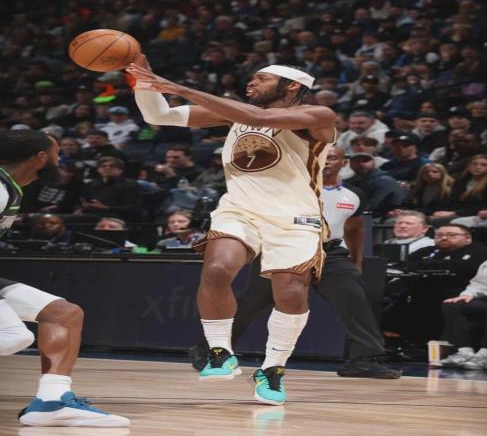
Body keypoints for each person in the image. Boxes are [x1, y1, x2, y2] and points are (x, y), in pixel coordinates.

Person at [128, 56, 336, 405]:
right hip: (240, 208)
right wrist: (145, 81)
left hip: (295, 215)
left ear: (292, 86)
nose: (251, 82)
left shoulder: (318, 115)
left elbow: (259, 118)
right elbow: (158, 115)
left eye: (261, 78)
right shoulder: (235, 114)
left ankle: (272, 368)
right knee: (217, 268)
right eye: (252, 78)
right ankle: (220, 352)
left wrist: (179, 88)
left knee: (290, 293)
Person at [190, 146, 401, 379]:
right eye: (321, 156)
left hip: (329, 252)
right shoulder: (288, 186)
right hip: (284, 247)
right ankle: (212, 350)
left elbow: (355, 228)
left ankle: (364, 360)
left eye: (332, 157)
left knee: (355, 299)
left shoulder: (354, 194)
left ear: (344, 162)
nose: (325, 161)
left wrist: (356, 259)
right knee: (252, 303)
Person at [0, 129, 128, 427]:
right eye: (57, 153)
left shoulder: (10, 186)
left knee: (64, 314)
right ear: (40, 157)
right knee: (15, 336)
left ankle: (51, 402)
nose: (60, 159)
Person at [433, 256, 487, 370]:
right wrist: (468, 294)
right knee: (453, 305)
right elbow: (481, 284)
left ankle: (485, 355)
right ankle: (465, 353)